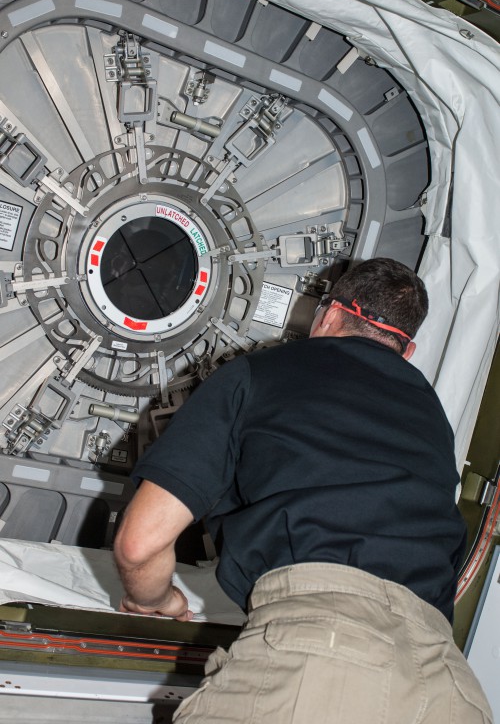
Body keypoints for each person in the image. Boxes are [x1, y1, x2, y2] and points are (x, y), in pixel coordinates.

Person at [114, 257, 493, 723]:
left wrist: (157, 599)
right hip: (453, 686)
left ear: (329, 315)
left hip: (320, 661)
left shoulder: (259, 373)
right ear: (407, 350)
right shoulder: (433, 417)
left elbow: (139, 542)